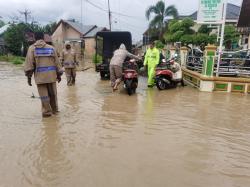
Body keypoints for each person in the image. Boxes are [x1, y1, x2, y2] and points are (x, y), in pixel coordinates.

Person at [24, 32, 63, 118]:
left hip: (40, 78)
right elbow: (57, 63)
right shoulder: (52, 48)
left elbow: (29, 65)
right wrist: (59, 75)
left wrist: (29, 77)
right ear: (44, 38)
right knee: (53, 95)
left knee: (44, 97)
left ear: (34, 38)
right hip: (52, 76)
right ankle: (55, 111)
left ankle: (47, 113)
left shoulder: (31, 49)